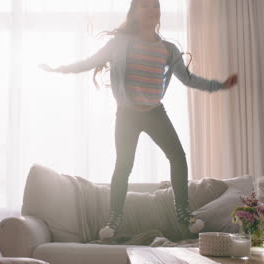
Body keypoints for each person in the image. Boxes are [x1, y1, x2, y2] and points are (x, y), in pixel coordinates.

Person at [40, 0, 238, 241]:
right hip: (127, 115)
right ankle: (114, 219)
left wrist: (219, 85)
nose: (152, 10)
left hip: (155, 113)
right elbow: (88, 62)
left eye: (156, 6)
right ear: (134, 13)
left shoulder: (168, 49)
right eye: (145, 6)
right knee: (124, 165)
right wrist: (57, 69)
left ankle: (184, 213)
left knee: (178, 157)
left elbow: (188, 79)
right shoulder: (119, 44)